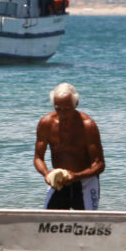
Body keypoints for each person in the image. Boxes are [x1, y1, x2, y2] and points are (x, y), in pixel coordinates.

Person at [34, 82, 105, 210]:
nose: (62, 114)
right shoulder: (46, 124)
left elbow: (99, 164)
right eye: (58, 109)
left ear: (76, 104)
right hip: (58, 182)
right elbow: (38, 158)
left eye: (67, 109)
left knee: (87, 226)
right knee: (47, 224)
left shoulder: (88, 126)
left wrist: (76, 176)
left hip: (86, 182)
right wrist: (46, 174)